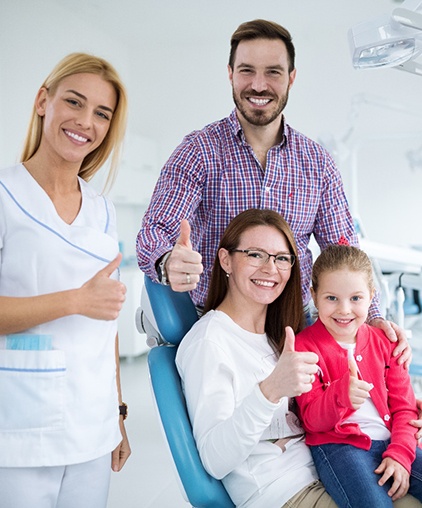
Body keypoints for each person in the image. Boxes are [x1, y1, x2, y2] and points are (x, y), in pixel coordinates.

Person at [136, 18, 407, 354]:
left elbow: (345, 254)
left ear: (291, 77)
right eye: (247, 70)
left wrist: (373, 316)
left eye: (273, 72)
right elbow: (154, 232)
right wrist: (167, 262)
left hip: (294, 323)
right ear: (230, 74)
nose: (259, 85)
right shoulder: (198, 151)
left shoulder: (318, 163)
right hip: (218, 324)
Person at [175, 209, 419, 508]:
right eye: (255, 254)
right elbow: (214, 460)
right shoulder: (209, 342)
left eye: (281, 258)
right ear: (225, 260)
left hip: (327, 469)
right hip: (286, 489)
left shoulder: (278, 334)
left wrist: (406, 414)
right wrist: (270, 391)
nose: (270, 268)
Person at [0, 53, 130, 508]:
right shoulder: (5, 196)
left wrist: (117, 414)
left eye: (101, 113)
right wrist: (75, 299)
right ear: (42, 101)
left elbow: (107, 318)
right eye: (74, 102)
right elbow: (88, 302)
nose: (85, 122)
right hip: (20, 422)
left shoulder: (102, 209)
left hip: (92, 421)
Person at [295, 245, 422, 507]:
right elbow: (311, 420)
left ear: (371, 297)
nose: (344, 310)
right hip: (339, 447)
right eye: (331, 298)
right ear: (314, 295)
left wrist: (400, 453)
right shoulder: (303, 347)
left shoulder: (386, 343)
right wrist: (341, 395)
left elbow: (405, 408)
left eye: (355, 298)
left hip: (391, 439)